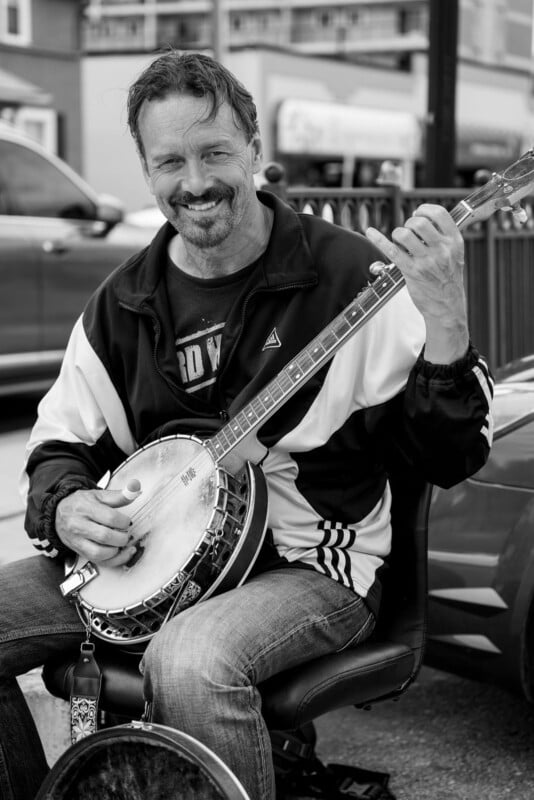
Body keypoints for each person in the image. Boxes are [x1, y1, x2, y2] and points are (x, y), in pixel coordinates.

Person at [0, 51, 493, 800]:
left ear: (256, 151)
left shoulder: (352, 282)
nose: (194, 182)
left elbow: (452, 454)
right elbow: (56, 443)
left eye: (215, 153)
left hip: (309, 565)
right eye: (170, 161)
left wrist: (447, 324)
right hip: (147, 563)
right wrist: (67, 504)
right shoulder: (122, 304)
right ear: (147, 169)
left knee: (189, 659)